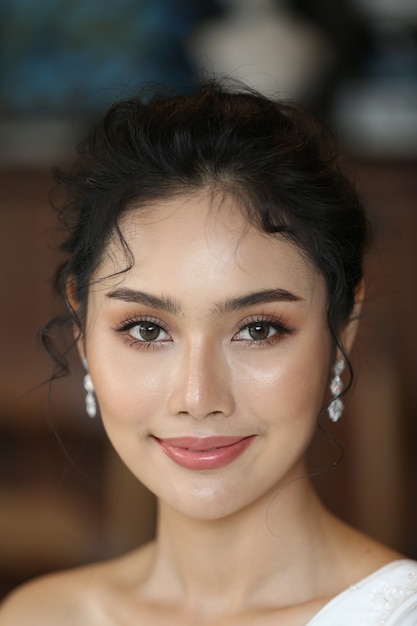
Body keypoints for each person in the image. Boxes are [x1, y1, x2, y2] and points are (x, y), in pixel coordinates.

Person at [1, 80, 416, 625]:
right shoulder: (39, 616)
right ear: (83, 328)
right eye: (147, 330)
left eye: (258, 330)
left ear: (344, 324)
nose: (199, 397)